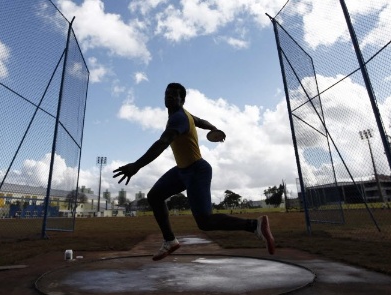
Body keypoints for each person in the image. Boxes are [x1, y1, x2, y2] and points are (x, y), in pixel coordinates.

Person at [113, 82, 275, 261]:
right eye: (167, 93)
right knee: (154, 196)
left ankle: (255, 225)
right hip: (183, 171)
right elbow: (200, 121)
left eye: (174, 95)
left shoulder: (179, 118)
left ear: (182, 100)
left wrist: (136, 165)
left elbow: (163, 142)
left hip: (197, 171)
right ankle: (170, 241)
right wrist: (213, 128)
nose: (169, 96)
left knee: (205, 222)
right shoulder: (185, 115)